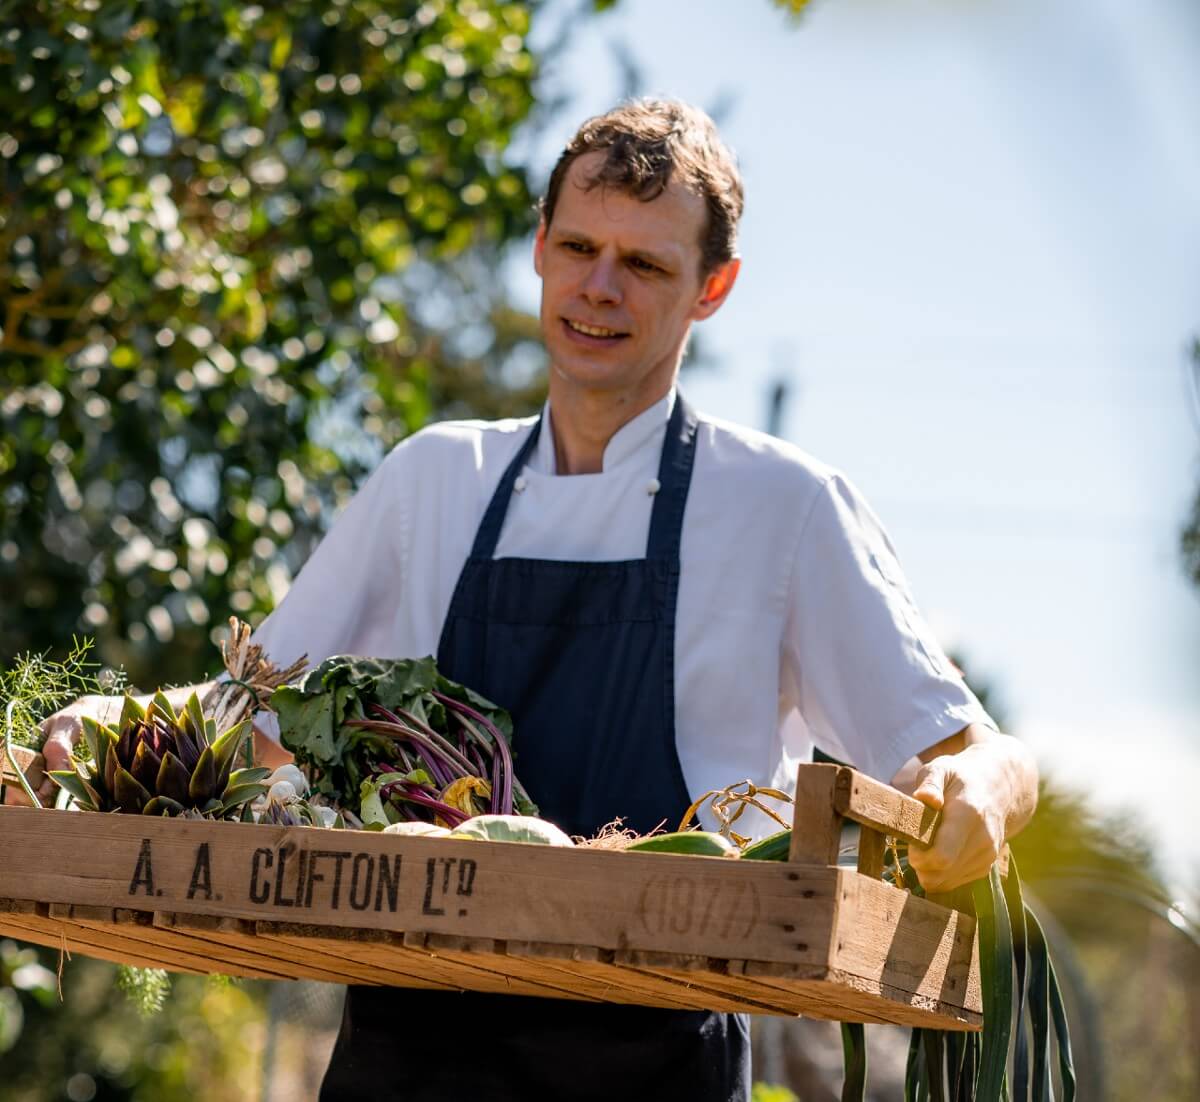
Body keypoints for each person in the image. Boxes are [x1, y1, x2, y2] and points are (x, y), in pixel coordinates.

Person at [41, 98, 1038, 1099]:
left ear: (714, 288)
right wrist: (108, 728)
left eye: (645, 264)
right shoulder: (430, 481)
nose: (600, 288)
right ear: (539, 249)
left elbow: (973, 750)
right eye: (579, 247)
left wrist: (982, 794)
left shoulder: (784, 508)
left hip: (652, 1069)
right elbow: (246, 717)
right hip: (404, 1060)